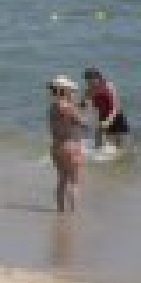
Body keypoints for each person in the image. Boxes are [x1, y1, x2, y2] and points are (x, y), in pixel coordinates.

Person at [49, 77, 85, 212]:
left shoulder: (53, 107)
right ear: (65, 91)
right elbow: (82, 123)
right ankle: (73, 213)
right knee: (75, 182)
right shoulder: (68, 107)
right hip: (71, 146)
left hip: (56, 146)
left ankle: (60, 211)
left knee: (62, 180)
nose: (73, 93)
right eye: (71, 91)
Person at [84, 68, 129, 150]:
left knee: (119, 142)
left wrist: (108, 120)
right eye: (88, 81)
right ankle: (98, 152)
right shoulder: (88, 90)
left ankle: (120, 155)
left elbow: (116, 106)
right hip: (102, 114)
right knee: (99, 133)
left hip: (116, 115)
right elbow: (84, 105)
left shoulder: (108, 86)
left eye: (92, 80)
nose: (91, 83)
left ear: (98, 78)